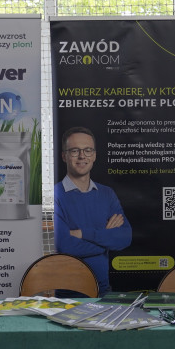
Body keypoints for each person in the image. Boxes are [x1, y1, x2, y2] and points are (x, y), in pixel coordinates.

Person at [53, 126, 132, 296]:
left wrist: (81, 233)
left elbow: (125, 237)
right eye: (75, 151)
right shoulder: (55, 195)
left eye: (87, 150)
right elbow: (64, 245)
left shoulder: (107, 194)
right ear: (64, 156)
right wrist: (105, 238)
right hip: (68, 295)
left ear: (94, 155)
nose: (82, 156)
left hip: (103, 292)